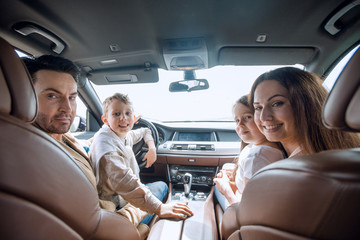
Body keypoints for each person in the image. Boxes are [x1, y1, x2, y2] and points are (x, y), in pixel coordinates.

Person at [22, 55, 192, 238]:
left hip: (108, 209)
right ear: (26, 96)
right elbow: (122, 182)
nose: (67, 108)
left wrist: (150, 146)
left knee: (154, 187)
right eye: (52, 95)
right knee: (161, 186)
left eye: (72, 97)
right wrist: (158, 208)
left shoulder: (63, 138)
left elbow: (136, 134)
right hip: (110, 217)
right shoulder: (36, 156)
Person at [90, 93, 192, 225]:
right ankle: (136, 227)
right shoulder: (105, 145)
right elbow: (125, 182)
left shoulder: (121, 134)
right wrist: (159, 208)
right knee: (162, 186)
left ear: (133, 117)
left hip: (123, 196)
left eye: (128, 113)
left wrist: (152, 149)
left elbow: (145, 131)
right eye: (116, 114)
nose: (123, 119)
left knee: (157, 186)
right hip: (114, 205)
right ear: (105, 120)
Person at [249, 67, 360, 157]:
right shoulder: (343, 152)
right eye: (258, 108)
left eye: (277, 103)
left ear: (307, 105)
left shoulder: (293, 169)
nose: (264, 117)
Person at [213, 95, 285, 210]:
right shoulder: (263, 148)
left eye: (247, 117)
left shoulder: (257, 157)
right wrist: (239, 176)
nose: (240, 124)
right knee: (227, 167)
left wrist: (225, 189)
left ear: (261, 118)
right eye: (237, 120)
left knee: (214, 190)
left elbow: (247, 210)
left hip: (242, 212)